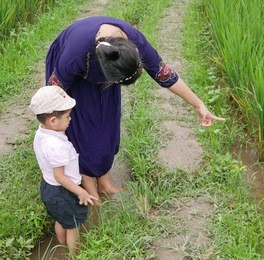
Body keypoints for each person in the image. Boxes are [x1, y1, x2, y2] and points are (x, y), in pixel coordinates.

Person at [45, 16, 225, 201]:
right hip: (75, 81)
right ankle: (90, 188)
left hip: (109, 66)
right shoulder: (75, 54)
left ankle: (105, 184)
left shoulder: (134, 43)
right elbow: (52, 92)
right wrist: (50, 132)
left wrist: (198, 104)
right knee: (83, 129)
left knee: (107, 127)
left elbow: (165, 76)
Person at [29, 85, 98, 253]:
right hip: (63, 191)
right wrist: (80, 192)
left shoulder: (42, 134)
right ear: (53, 121)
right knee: (73, 225)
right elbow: (60, 176)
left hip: (49, 188)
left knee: (62, 219)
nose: (70, 119)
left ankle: (61, 245)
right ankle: (74, 254)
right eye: (67, 116)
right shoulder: (55, 146)